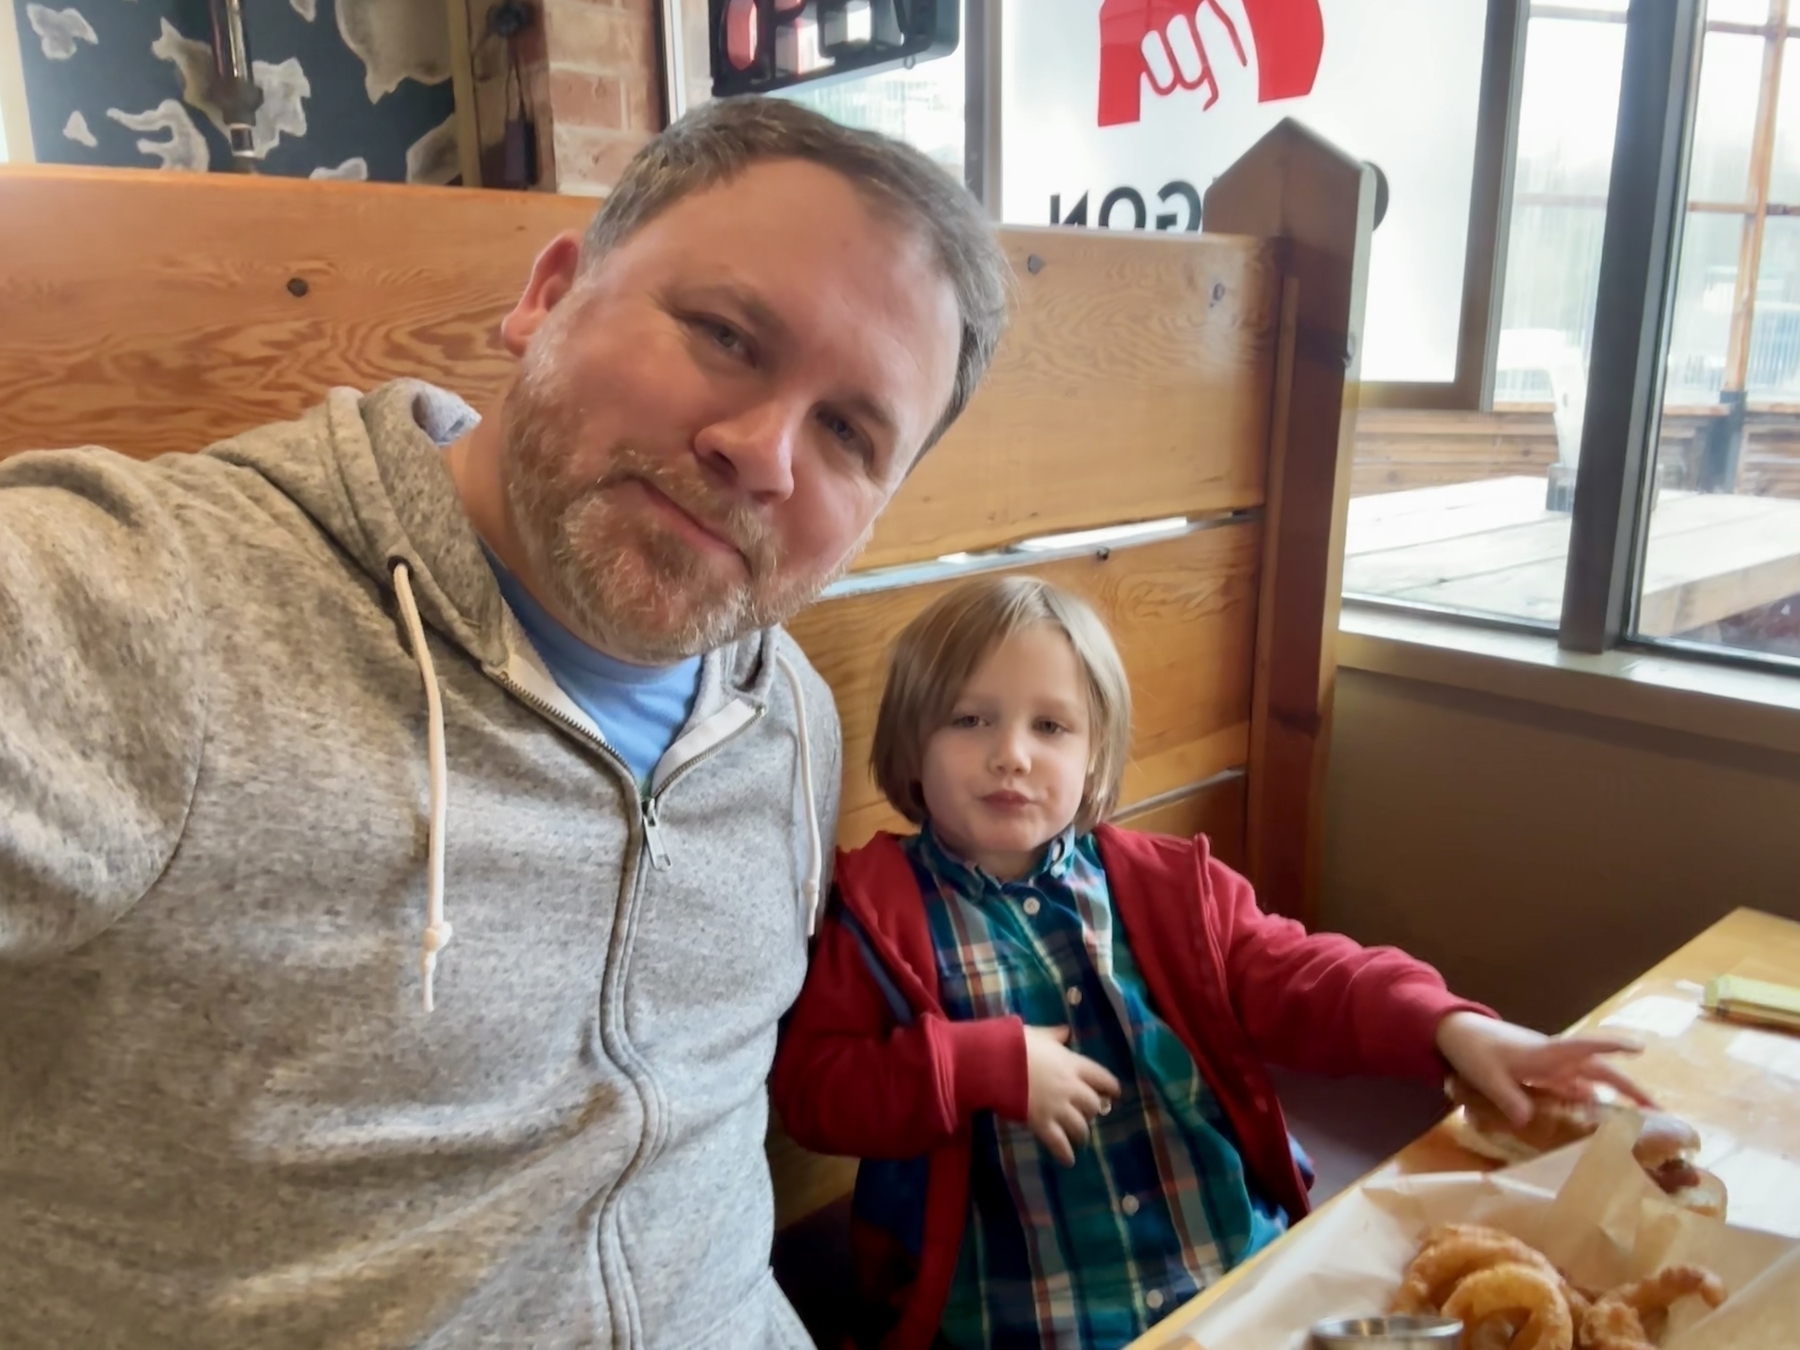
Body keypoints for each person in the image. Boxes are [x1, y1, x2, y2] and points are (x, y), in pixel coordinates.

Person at [0, 98, 1008, 1348]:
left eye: (848, 432)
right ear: (549, 296)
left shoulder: (787, 717)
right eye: (725, 335)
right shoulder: (154, 609)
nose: (763, 452)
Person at [770, 575, 1650, 1350]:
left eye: (1052, 725)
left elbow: (1308, 975)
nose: (1013, 753)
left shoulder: (1168, 890)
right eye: (970, 720)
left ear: (1094, 753)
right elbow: (815, 1093)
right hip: (1025, 1317)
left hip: (1238, 1276)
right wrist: (978, 1066)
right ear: (912, 743)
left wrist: (1449, 1027)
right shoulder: (873, 915)